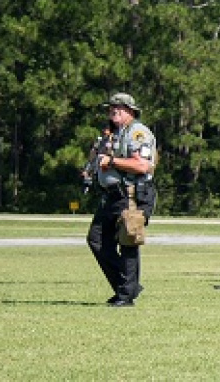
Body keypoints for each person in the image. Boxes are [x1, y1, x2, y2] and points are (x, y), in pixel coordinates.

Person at [87, 92, 157, 307]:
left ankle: (125, 295)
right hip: (111, 196)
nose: (113, 111)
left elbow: (142, 165)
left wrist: (112, 161)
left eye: (119, 107)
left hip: (131, 194)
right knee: (96, 239)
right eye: (111, 108)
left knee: (128, 242)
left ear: (130, 111)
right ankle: (127, 286)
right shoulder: (113, 134)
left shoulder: (138, 133)